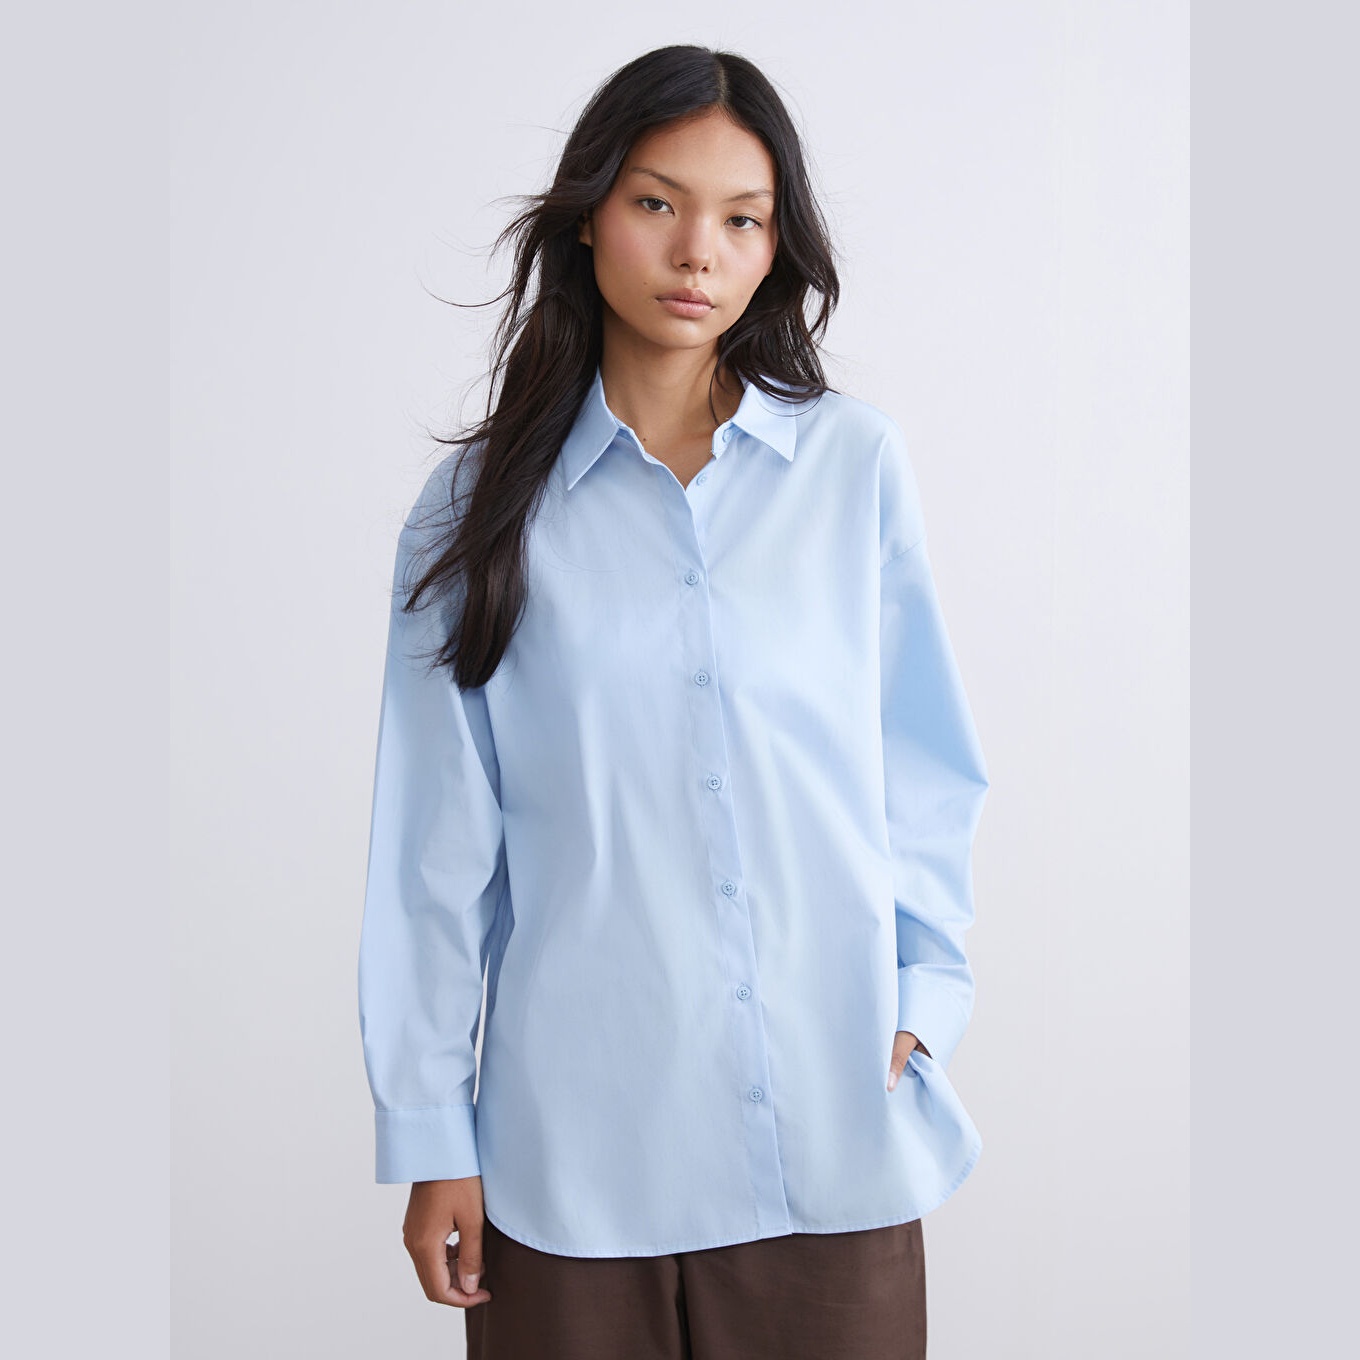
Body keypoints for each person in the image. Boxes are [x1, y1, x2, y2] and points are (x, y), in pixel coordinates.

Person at [357, 43, 990, 1360]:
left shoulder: (853, 468)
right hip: (574, 1165)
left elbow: (922, 764)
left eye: (742, 219)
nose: (698, 250)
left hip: (831, 1140)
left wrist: (924, 996)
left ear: (775, 248)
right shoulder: (477, 513)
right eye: (657, 203)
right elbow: (434, 851)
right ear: (590, 215)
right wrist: (431, 1131)